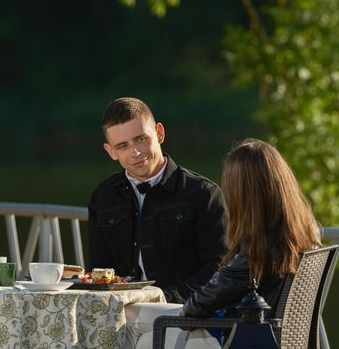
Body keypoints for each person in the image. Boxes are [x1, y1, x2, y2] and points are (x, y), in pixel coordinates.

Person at [126, 138, 322, 349]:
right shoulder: (303, 234)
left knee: (142, 336)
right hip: (271, 335)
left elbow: (195, 308)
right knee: (131, 315)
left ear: (242, 193)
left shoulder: (256, 252)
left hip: (238, 337)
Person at [88, 97, 228, 303]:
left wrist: (165, 298)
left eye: (141, 139)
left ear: (159, 133)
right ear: (111, 152)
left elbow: (219, 267)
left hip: (185, 314)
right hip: (122, 313)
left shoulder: (203, 193)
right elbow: (100, 270)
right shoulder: (102, 198)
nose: (135, 152)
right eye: (123, 146)